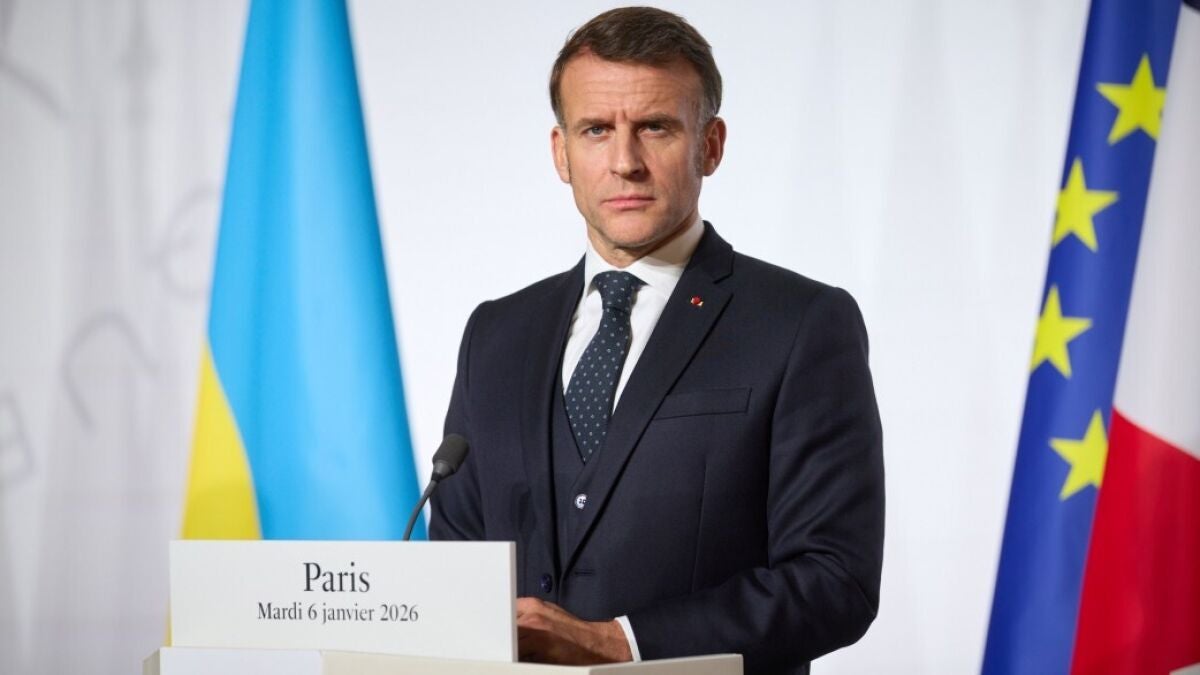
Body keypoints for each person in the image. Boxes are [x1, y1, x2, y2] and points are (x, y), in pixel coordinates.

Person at [428, 7, 884, 674]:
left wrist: (622, 643)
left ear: (711, 145)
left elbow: (834, 579)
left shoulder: (802, 323)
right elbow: (455, 566)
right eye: (596, 129)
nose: (625, 162)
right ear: (561, 152)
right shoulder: (495, 335)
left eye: (656, 127)